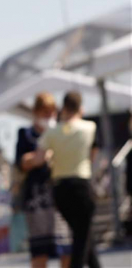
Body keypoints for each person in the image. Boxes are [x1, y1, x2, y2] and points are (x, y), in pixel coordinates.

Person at [39, 91, 101, 268]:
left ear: (64, 107)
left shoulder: (53, 132)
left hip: (60, 190)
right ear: (80, 107)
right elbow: (92, 157)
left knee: (83, 234)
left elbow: (43, 157)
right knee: (82, 237)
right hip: (81, 186)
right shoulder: (90, 127)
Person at [16, 93, 72, 268]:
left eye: (51, 112)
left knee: (66, 247)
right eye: (45, 112)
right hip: (37, 200)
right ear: (36, 112)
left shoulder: (60, 132)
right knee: (40, 250)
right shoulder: (25, 134)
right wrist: (38, 158)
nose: (49, 116)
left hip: (60, 196)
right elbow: (21, 162)